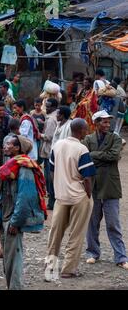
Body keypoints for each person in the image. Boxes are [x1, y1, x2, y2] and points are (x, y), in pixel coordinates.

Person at [45, 118, 96, 280]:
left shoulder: (57, 145)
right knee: (76, 234)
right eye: (86, 129)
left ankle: (50, 268)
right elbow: (87, 178)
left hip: (61, 196)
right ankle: (68, 269)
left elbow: (52, 171)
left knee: (55, 233)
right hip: (78, 196)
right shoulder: (81, 149)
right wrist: (88, 194)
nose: (87, 132)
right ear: (80, 131)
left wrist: (59, 186)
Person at [0, 135, 46, 289]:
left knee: (14, 260)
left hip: (12, 219)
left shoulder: (24, 168)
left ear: (18, 148)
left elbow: (25, 198)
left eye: (9, 144)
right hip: (6, 217)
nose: (5, 146)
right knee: (9, 259)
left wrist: (15, 222)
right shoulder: (12, 165)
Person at [82, 111, 128, 270]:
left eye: (109, 122)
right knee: (92, 222)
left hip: (110, 186)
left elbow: (114, 156)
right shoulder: (88, 139)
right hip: (93, 185)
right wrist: (102, 157)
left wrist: (94, 155)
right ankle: (92, 253)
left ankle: (121, 257)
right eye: (104, 122)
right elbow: (85, 158)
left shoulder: (115, 138)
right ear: (96, 123)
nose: (108, 125)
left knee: (113, 223)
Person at [40, 98, 59, 210]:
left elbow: (48, 136)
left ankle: (52, 202)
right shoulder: (54, 116)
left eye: (48, 106)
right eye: (46, 106)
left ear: (54, 107)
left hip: (49, 151)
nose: (46, 108)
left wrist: (40, 134)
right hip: (52, 150)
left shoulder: (51, 119)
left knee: (49, 178)